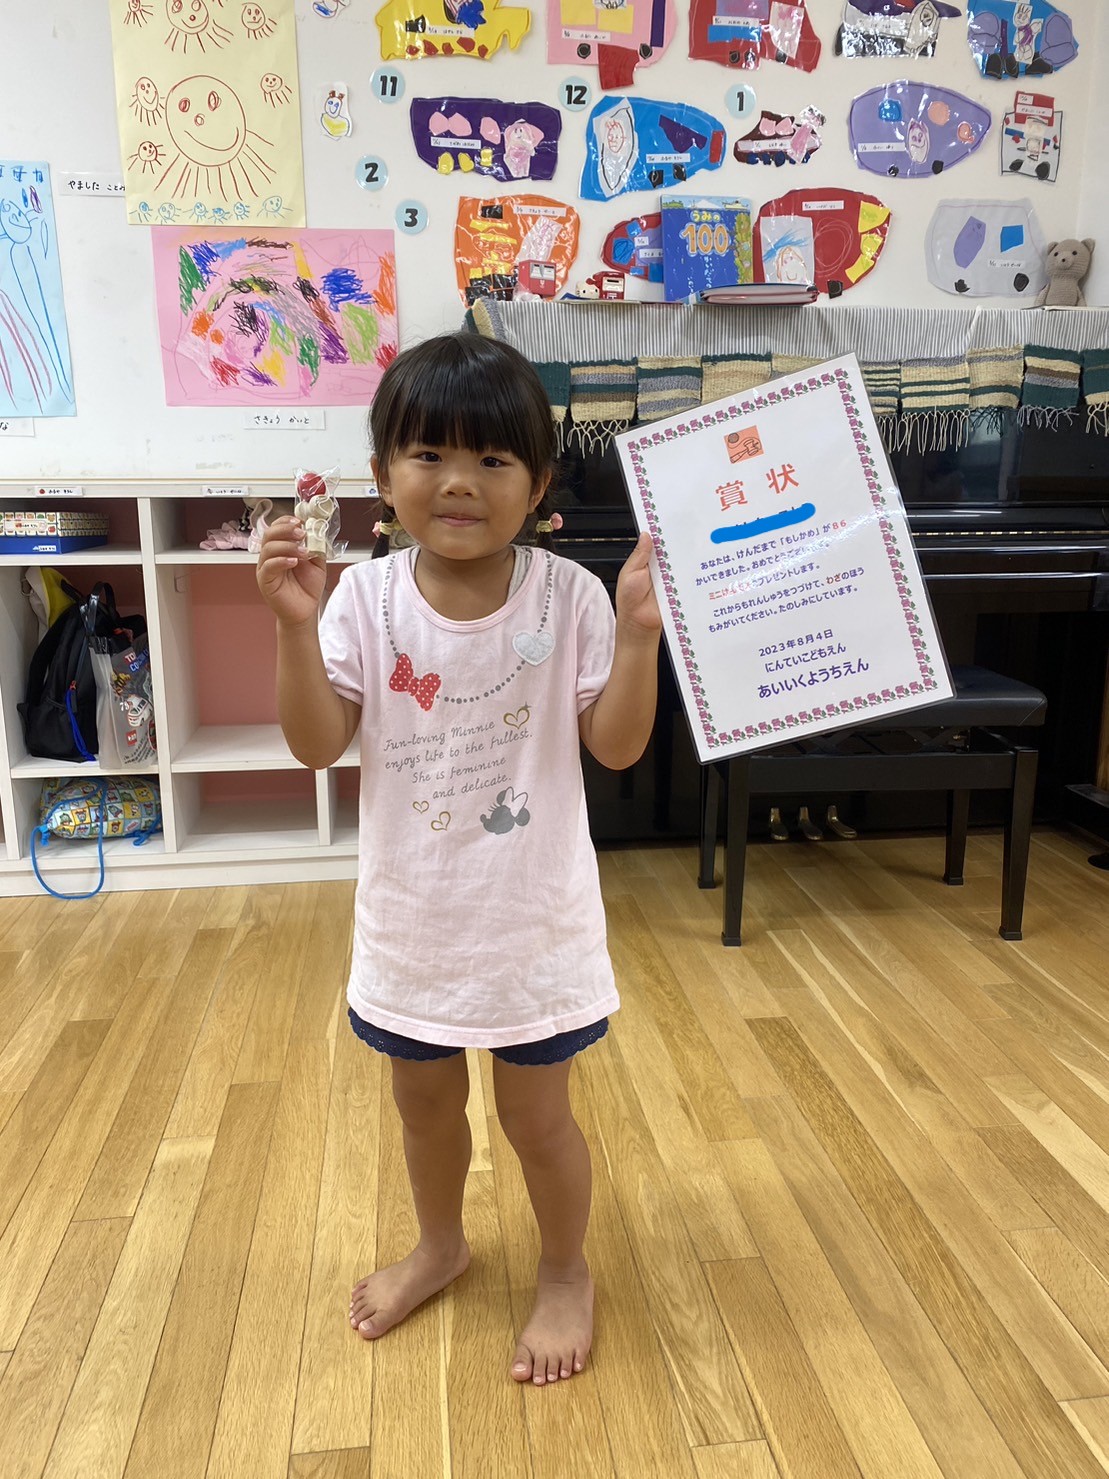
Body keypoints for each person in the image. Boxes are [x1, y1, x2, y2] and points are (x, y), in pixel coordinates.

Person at [256, 332, 661, 1386]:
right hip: (414, 921)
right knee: (424, 1106)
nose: (458, 482)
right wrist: (295, 628)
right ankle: (440, 1245)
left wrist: (637, 636)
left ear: (538, 483)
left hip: (532, 925)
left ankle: (565, 1269)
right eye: (428, 453)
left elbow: (616, 747)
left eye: (491, 459)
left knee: (536, 1117)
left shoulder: (569, 596)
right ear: (382, 473)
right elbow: (316, 744)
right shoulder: (365, 600)